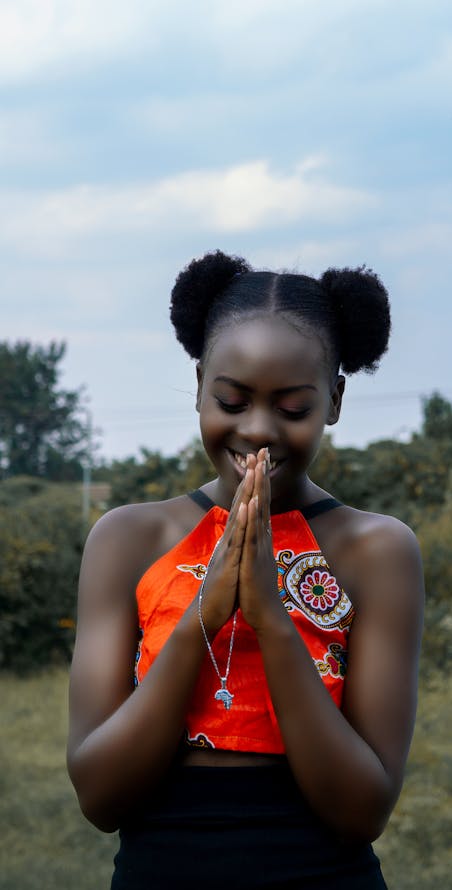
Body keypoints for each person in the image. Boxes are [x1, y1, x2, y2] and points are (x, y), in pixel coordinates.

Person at [67, 250, 424, 889]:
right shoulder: (128, 539)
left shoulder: (378, 550)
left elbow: (362, 810)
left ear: (335, 400)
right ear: (200, 384)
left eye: (293, 409)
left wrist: (271, 618)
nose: (258, 430)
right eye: (231, 400)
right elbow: (99, 797)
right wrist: (203, 615)